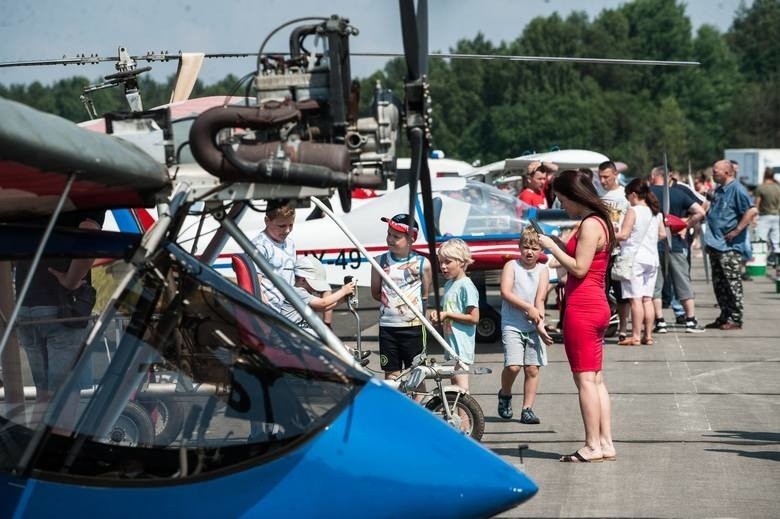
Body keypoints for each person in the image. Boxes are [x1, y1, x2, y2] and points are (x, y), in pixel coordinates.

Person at [538, 169, 616, 463]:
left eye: (561, 199)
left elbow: (579, 268)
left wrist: (550, 248)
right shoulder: (600, 221)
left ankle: (592, 445)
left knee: (584, 380)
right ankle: (605, 443)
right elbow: (584, 262)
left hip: (582, 306)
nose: (562, 206)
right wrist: (557, 244)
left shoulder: (589, 225)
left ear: (573, 196)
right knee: (595, 379)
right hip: (597, 304)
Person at [15, 210, 104, 430]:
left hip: (26, 304)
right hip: (63, 308)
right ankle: (53, 459)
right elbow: (89, 236)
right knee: (65, 396)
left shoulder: (36, 184)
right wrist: (70, 280)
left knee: (44, 395)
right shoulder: (89, 184)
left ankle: (35, 456)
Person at [497, 227, 554, 424]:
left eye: (535, 248)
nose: (529, 252)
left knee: (532, 369)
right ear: (519, 248)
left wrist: (541, 326)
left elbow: (540, 300)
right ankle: (505, 394)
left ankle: (527, 408)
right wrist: (527, 307)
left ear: (541, 251)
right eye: (526, 247)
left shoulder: (543, 271)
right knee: (513, 367)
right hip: (512, 323)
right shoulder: (511, 266)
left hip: (531, 326)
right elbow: (505, 292)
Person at [371, 214, 433, 380]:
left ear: (410, 240)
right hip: (388, 327)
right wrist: (392, 303)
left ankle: (418, 405)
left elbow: (424, 294)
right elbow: (376, 292)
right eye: (389, 234)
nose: (390, 239)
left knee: (417, 375)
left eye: (396, 236)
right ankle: (395, 405)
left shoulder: (423, 263)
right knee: (391, 376)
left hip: (413, 327)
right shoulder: (379, 261)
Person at [648, 166, 707, 333]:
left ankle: (660, 321)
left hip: (653, 244)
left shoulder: (647, 194)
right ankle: (690, 320)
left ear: (653, 176)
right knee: (683, 281)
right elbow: (700, 211)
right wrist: (685, 224)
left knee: (656, 284)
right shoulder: (678, 193)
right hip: (675, 244)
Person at [703, 160, 758, 330]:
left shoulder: (737, 189)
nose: (713, 175)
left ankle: (735, 317)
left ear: (727, 172)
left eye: (716, 171)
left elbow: (751, 210)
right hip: (715, 243)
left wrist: (737, 230)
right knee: (720, 284)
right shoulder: (719, 189)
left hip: (729, 246)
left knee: (732, 282)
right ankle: (724, 315)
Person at [614, 179, 666, 345]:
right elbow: (663, 234)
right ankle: (648, 335)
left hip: (634, 258)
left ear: (634, 194)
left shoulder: (633, 211)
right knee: (647, 299)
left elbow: (624, 235)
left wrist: (608, 234)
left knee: (635, 299)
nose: (627, 199)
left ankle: (635, 335)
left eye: (627, 195)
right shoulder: (656, 212)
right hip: (652, 258)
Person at [428, 238, 479, 392]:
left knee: (461, 390)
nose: (443, 266)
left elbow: (474, 318)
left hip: (462, 347)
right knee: (454, 388)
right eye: (441, 262)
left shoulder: (466, 286)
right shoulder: (449, 284)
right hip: (451, 347)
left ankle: (465, 417)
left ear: (461, 262)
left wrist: (447, 314)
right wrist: (438, 316)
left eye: (448, 262)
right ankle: (457, 416)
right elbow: (448, 312)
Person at [598, 160, 630, 342]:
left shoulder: (624, 194)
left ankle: (623, 328)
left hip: (620, 250)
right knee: (602, 292)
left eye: (606, 177)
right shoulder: (598, 195)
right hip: (603, 251)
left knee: (621, 294)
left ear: (615, 175)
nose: (603, 181)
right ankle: (601, 328)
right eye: (600, 177)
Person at [251, 200, 297, 309]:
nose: (287, 230)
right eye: (282, 226)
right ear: (267, 220)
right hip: (271, 309)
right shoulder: (260, 246)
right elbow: (255, 282)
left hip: (290, 307)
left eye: (291, 225)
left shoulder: (290, 243)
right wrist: (263, 305)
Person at [753, 167, 780, 267]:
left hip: (764, 216)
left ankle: (761, 261)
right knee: (775, 241)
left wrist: (754, 217)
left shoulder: (761, 187)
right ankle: (777, 262)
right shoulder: (778, 187)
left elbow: (757, 204)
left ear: (765, 174)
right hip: (777, 216)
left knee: (761, 240)